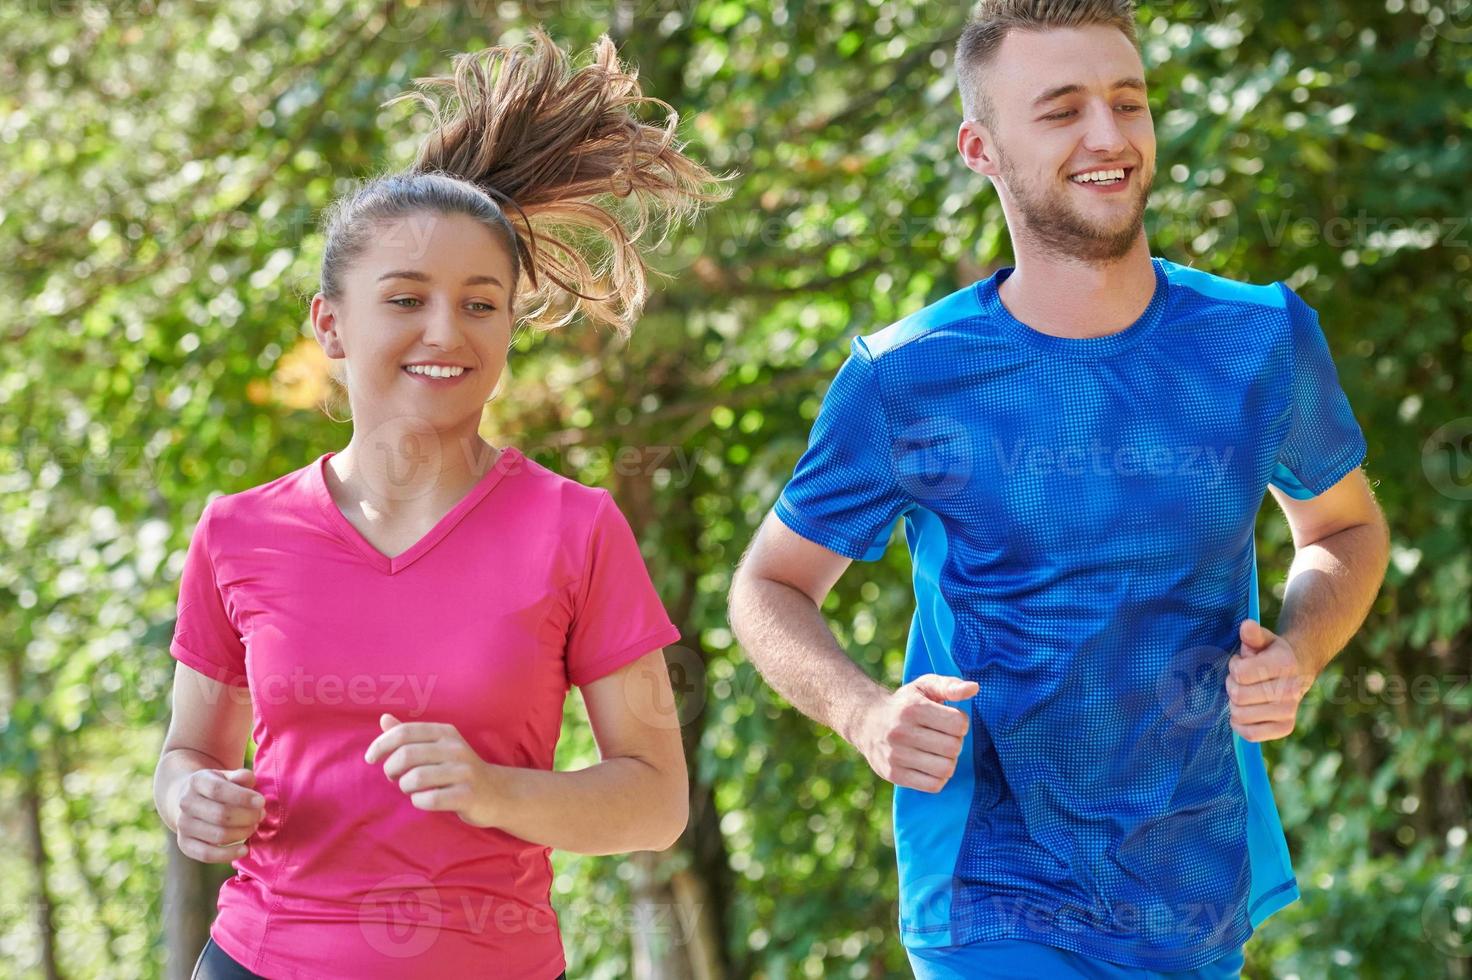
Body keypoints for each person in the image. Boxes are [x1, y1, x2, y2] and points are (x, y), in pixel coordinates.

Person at [727, 2, 1390, 977]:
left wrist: (1297, 647)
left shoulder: (1257, 341)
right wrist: (863, 712)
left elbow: (1341, 527)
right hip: (990, 891)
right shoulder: (906, 377)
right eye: (1062, 109)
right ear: (979, 148)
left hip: (1192, 882)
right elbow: (766, 584)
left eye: (1127, 102)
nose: (1107, 136)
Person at [154, 30, 728, 979]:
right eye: (406, 298)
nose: (444, 332)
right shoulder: (238, 533)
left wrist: (497, 791)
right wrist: (190, 800)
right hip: (260, 960)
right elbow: (187, 751)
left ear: (510, 323)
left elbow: (657, 799)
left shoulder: (575, 529)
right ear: (330, 324)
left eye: (479, 303)